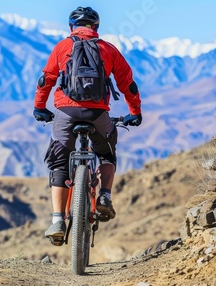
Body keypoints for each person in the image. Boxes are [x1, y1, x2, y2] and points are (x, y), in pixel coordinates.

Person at [33, 6, 143, 244]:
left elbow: (45, 80)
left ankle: (57, 220)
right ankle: (104, 196)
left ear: (72, 27)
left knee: (59, 162)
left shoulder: (62, 47)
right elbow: (128, 85)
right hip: (97, 113)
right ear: (96, 27)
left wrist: (39, 108)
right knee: (106, 153)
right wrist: (135, 112)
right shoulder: (108, 49)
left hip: (66, 111)